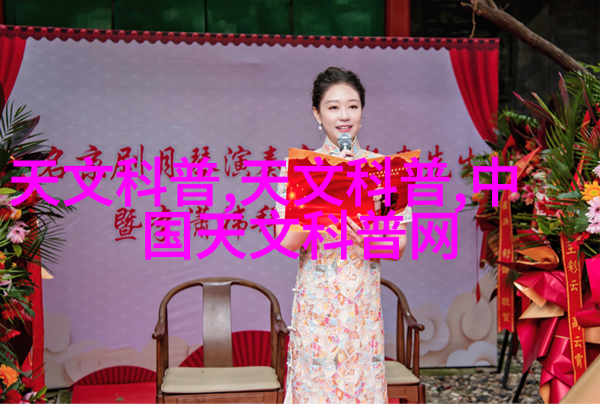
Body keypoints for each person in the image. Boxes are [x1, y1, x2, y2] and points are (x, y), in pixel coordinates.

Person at [275, 67, 412, 403]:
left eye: (352, 106)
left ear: (362, 111)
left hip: (362, 307)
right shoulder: (298, 170)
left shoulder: (385, 170)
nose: (344, 116)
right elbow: (286, 241)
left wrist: (369, 238)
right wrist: (322, 202)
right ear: (317, 114)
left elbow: (399, 245)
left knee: (360, 389)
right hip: (317, 307)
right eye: (333, 107)